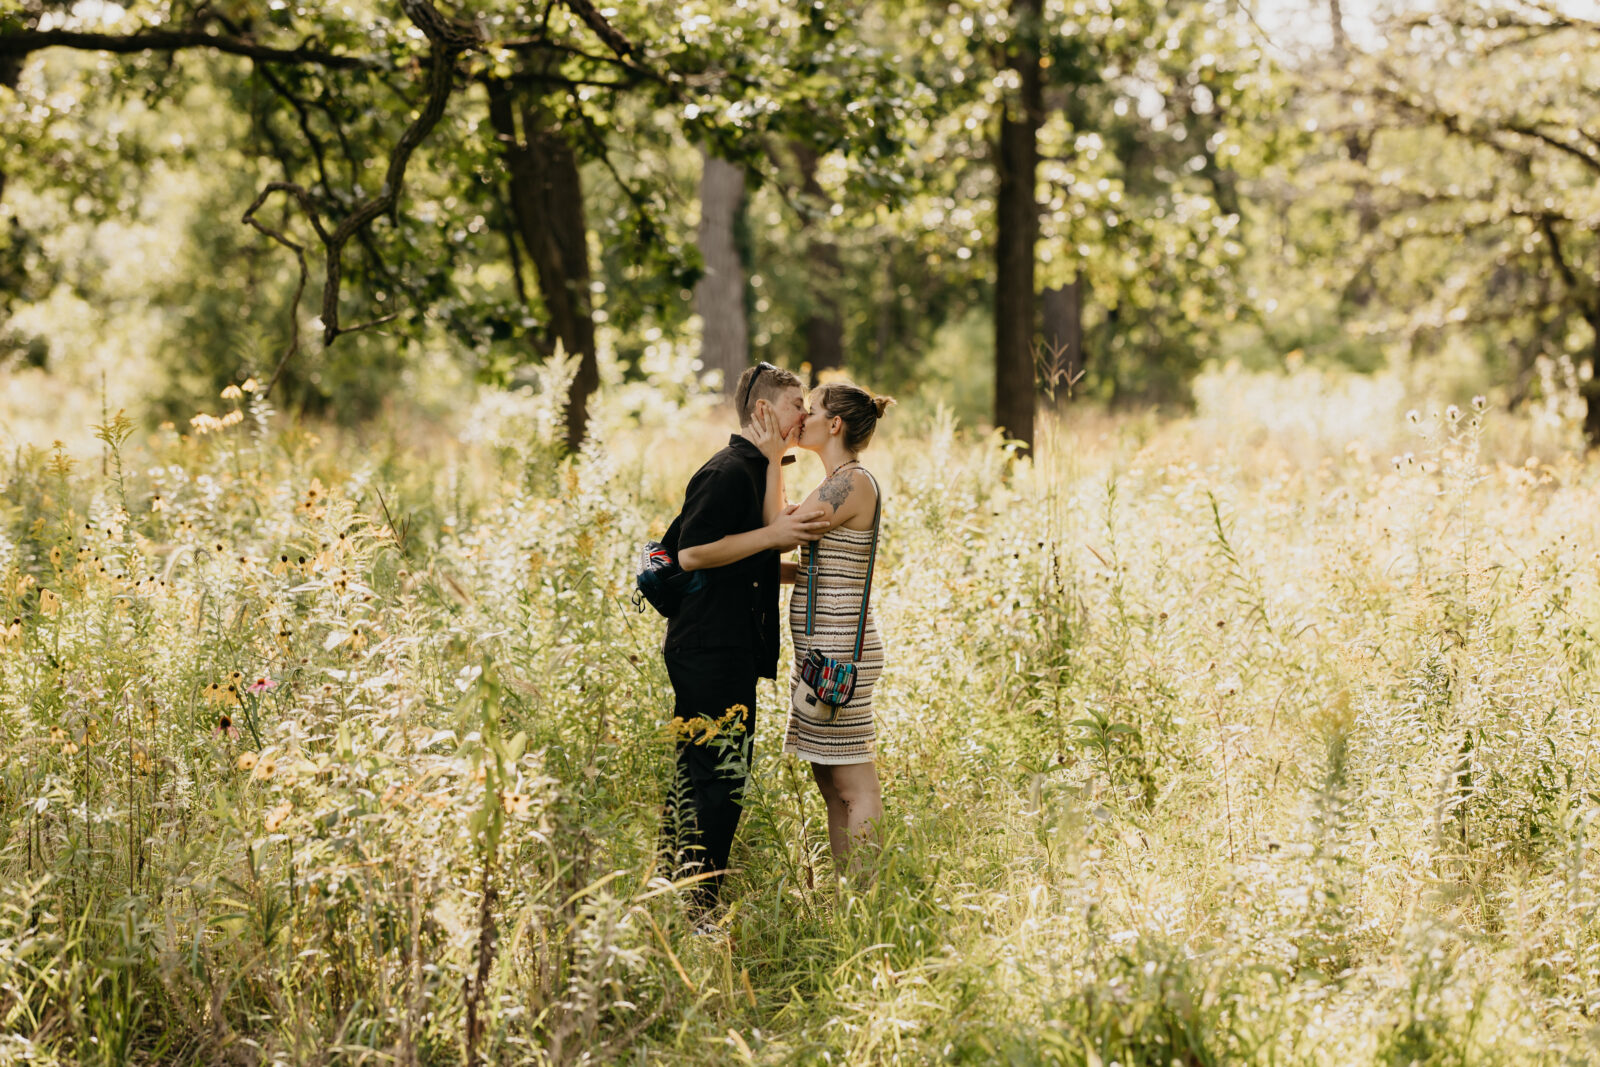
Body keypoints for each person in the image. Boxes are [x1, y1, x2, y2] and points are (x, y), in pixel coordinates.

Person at [660, 361, 827, 915]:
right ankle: (697, 908)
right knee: (718, 774)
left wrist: (790, 569)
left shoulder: (761, 471)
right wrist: (776, 535)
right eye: (794, 404)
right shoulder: (729, 470)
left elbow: (744, 555)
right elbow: (692, 553)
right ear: (763, 411)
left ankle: (674, 891)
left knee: (708, 771)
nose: (803, 414)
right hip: (706, 646)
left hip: (727, 644)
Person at [783, 382, 894, 874]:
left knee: (855, 786)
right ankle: (847, 897)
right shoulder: (834, 481)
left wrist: (768, 455)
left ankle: (867, 900)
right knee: (830, 786)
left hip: (838, 655)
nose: (802, 417)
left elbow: (779, 530)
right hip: (821, 651)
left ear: (834, 425)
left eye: (812, 410)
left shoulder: (853, 482)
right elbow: (805, 558)